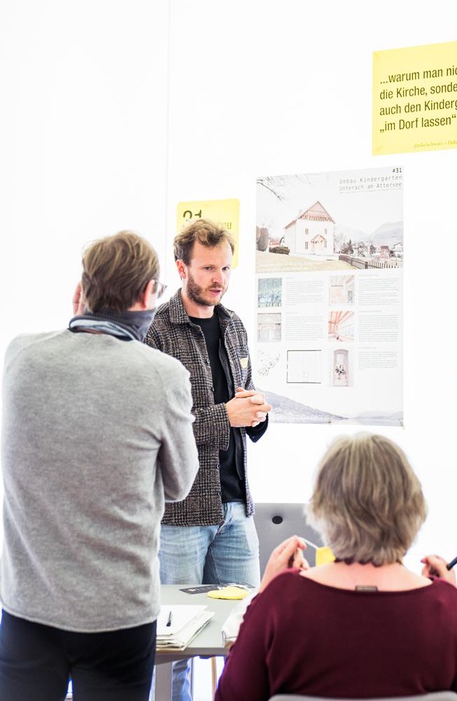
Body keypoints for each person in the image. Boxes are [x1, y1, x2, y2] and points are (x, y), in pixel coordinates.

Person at [0, 231, 199, 701]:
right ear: (148, 294)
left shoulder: (20, 356)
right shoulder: (162, 374)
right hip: (118, 614)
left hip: (28, 606)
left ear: (80, 290)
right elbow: (180, 484)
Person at [214, 432, 457, 701]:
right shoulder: (447, 609)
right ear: (412, 506)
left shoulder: (280, 600)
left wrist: (263, 594)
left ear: (324, 508)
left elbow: (229, 697)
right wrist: (448, 600)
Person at [146, 218, 271, 701]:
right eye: (208, 269)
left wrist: (254, 413)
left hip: (236, 509)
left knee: (250, 641)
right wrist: (226, 416)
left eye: (225, 268)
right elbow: (157, 428)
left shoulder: (234, 325)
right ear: (182, 269)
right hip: (181, 515)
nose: (220, 279)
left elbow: (243, 400)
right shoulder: (156, 332)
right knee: (174, 648)